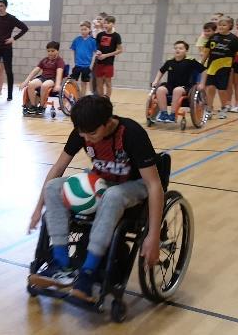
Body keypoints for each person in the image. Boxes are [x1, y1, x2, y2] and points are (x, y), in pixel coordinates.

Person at [27, 95, 163, 303]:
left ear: (108, 123)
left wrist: (153, 236)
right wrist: (38, 208)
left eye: (92, 133)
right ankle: (62, 265)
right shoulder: (82, 132)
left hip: (135, 186)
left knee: (113, 195)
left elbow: (154, 185)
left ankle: (88, 273)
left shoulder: (131, 133)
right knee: (54, 188)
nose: (87, 138)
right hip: (101, 182)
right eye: (83, 133)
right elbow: (57, 168)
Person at [150, 41, 205, 123]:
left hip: (185, 87)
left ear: (186, 51)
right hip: (170, 86)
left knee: (177, 90)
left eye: (180, 48)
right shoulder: (169, 61)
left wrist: (202, 83)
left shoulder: (190, 61)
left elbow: (204, 71)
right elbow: (161, 71)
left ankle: (172, 115)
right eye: (176, 48)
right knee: (160, 90)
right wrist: (156, 80)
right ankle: (164, 114)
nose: (177, 50)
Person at [0, 0, 29, 100]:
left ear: (5, 6)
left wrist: (13, 38)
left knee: (8, 71)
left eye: (1, 6)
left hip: (6, 48)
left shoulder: (11, 18)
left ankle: (9, 95)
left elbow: (24, 28)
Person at [201, 16, 238, 119]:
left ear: (230, 26)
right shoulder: (213, 37)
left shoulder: (234, 39)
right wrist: (201, 63)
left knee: (222, 90)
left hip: (224, 68)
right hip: (211, 67)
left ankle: (224, 107)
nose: (221, 27)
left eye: (224, 25)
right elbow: (206, 52)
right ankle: (209, 109)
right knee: (210, 88)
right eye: (219, 25)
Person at [19, 41, 66, 115]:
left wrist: (57, 85)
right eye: (48, 51)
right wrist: (25, 81)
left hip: (52, 79)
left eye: (52, 51)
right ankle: (33, 106)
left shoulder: (60, 61)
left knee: (44, 85)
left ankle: (42, 106)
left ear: (57, 51)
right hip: (43, 77)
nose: (50, 53)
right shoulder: (44, 60)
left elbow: (59, 73)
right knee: (31, 84)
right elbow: (35, 71)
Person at [94, 16, 123, 98]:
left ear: (113, 24)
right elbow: (95, 47)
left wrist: (106, 55)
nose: (106, 25)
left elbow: (120, 50)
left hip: (109, 63)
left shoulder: (116, 36)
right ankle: (101, 100)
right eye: (105, 23)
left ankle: (107, 100)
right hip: (99, 63)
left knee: (108, 82)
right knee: (99, 82)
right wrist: (97, 52)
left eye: (108, 23)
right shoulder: (100, 35)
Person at [69, 21, 97, 96]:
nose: (83, 31)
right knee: (73, 81)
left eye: (85, 29)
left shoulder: (93, 41)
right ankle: (74, 95)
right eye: (82, 29)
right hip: (77, 64)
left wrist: (91, 65)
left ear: (89, 30)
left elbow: (95, 54)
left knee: (84, 82)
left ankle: (82, 97)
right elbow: (72, 51)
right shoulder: (77, 40)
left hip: (87, 65)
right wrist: (73, 63)